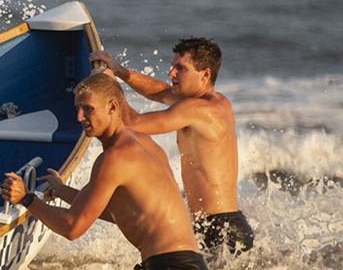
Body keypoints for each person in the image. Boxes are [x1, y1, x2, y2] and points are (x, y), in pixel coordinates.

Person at [1, 73, 211, 270]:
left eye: (88, 109)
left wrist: (26, 199)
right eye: (77, 108)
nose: (79, 117)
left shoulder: (113, 158)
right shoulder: (143, 143)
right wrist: (63, 191)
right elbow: (123, 213)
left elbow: (72, 228)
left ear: (113, 107)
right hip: (182, 268)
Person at [90, 38, 254, 254]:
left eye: (180, 68)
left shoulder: (200, 109)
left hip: (221, 230)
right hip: (214, 226)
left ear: (205, 74)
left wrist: (108, 87)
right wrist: (118, 71)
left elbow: (132, 124)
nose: (171, 73)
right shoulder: (211, 101)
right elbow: (160, 92)